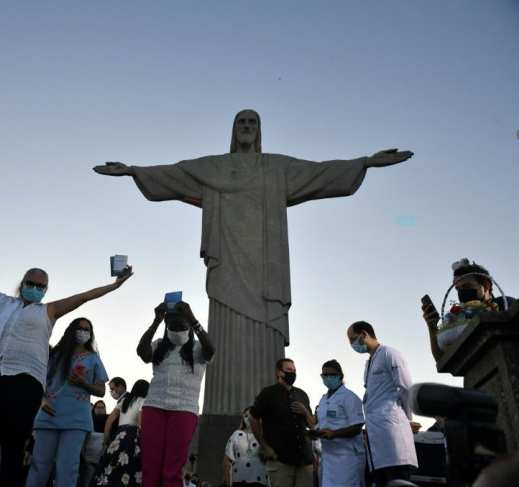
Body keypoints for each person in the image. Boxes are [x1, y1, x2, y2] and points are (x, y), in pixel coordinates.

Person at [94, 109, 413, 414]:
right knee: (225, 331)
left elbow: (319, 171)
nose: (247, 126)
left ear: (259, 130)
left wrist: (366, 163)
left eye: (253, 122)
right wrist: (133, 171)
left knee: (264, 326)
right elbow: (177, 172)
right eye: (241, 121)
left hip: (266, 267)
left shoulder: (276, 167)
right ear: (234, 129)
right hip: (227, 263)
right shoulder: (214, 167)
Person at [0, 248, 133, 487]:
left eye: (41, 286)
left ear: (46, 290)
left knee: (14, 446)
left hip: (28, 383)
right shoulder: (0, 302)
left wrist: (115, 286)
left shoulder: (49, 311)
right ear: (22, 284)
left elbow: (84, 297)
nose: (35, 288)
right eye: (31, 283)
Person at [136, 300, 216, 487]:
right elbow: (141, 352)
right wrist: (156, 321)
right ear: (166, 328)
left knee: (173, 468)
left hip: (184, 410)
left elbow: (211, 349)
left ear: (189, 328)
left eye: (182, 326)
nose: (177, 330)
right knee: (150, 464)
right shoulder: (158, 345)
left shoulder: (197, 348)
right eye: (173, 327)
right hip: (154, 406)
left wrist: (193, 319)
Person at [27, 318, 108, 487]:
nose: (83, 332)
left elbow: (101, 391)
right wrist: (41, 401)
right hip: (48, 414)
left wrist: (84, 384)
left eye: (87, 330)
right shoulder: (54, 356)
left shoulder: (93, 359)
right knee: (39, 465)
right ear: (71, 330)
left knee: (68, 466)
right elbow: (38, 381)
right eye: (80, 328)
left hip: (76, 419)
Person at [346, 321, 417, 487]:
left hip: (392, 432)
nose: (352, 345)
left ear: (364, 334)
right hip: (376, 435)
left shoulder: (389, 354)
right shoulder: (369, 363)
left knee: (397, 481)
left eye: (352, 340)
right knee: (382, 481)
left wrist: (407, 420)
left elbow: (406, 388)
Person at [422, 258, 516, 361]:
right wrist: (432, 328)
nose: (461, 292)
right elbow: (442, 359)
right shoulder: (458, 316)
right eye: (458, 289)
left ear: (485, 286)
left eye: (467, 286)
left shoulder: (504, 303)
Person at [249, 358, 316, 487]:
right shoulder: (268, 393)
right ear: (279, 372)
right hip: (280, 459)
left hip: (304, 459)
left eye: (294, 370)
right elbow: (253, 418)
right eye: (289, 370)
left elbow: (312, 424)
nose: (293, 373)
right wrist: (264, 447)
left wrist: (305, 413)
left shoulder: (302, 394)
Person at [310, 360, 365, 487]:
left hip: (348, 458)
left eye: (332, 375)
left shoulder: (350, 398)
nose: (328, 378)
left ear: (340, 376)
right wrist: (315, 433)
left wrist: (334, 433)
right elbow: (322, 424)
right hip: (328, 457)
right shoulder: (323, 399)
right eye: (325, 375)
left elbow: (357, 427)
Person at [94, 379, 149, 487]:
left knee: (109, 466)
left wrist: (106, 439)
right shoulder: (143, 400)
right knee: (128, 468)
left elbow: (110, 419)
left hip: (118, 435)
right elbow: (140, 419)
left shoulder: (124, 401)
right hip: (132, 436)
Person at [223, 407, 267, 487]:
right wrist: (227, 480)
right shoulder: (236, 435)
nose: (248, 418)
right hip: (239, 478)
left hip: (259, 478)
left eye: (252, 416)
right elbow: (227, 459)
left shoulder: (264, 436)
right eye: (246, 416)